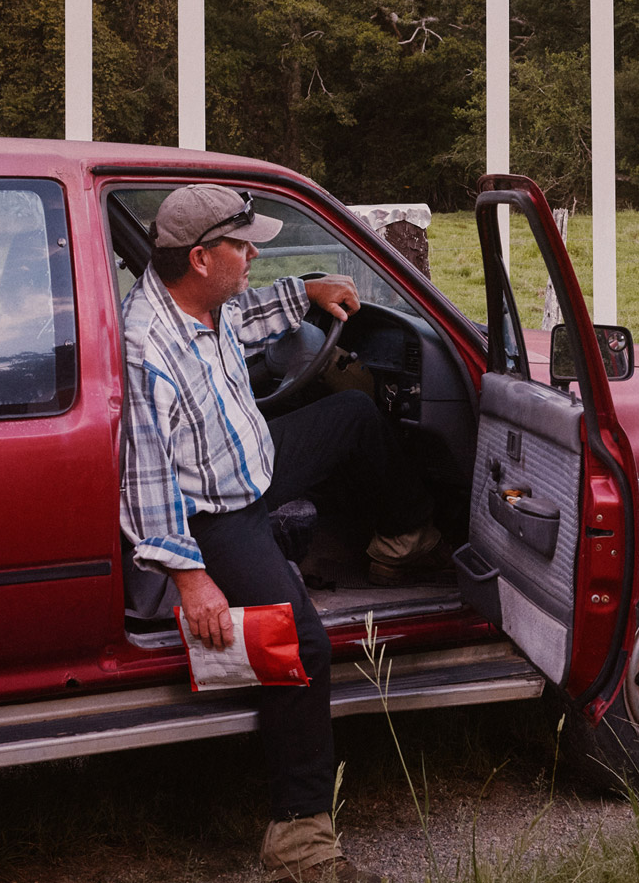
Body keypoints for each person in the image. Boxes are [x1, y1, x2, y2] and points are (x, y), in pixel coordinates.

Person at [120, 183, 448, 883]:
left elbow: (243, 317)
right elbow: (146, 479)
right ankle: (300, 841)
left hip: (254, 466)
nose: (254, 257)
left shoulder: (202, 301)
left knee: (355, 419)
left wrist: (307, 292)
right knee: (301, 647)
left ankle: (403, 547)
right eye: (243, 247)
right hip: (214, 514)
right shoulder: (147, 346)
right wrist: (191, 577)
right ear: (201, 257)